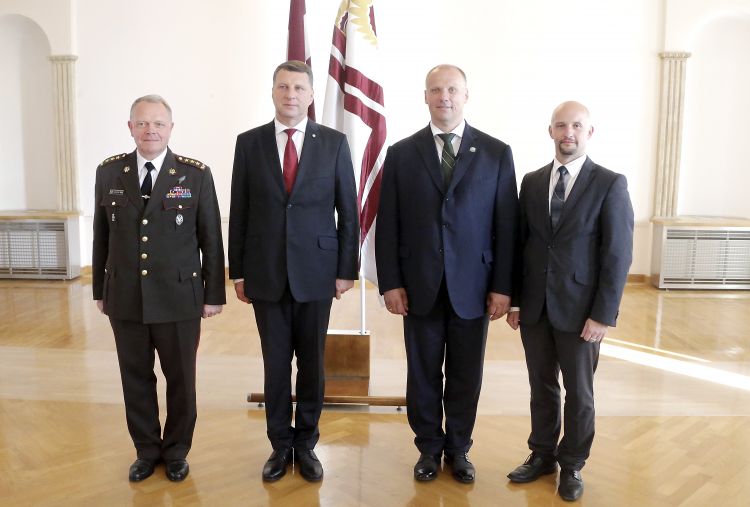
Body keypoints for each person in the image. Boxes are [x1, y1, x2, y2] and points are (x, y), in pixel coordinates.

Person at [375, 64, 518, 483]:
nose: (445, 97)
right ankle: (428, 449)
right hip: (419, 286)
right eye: (436, 90)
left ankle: (458, 449)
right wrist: (391, 282)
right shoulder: (401, 153)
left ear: (466, 96)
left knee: (465, 375)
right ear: (425, 97)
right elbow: (389, 224)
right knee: (422, 374)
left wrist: (503, 287)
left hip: (474, 287)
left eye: (452, 89)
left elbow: (507, 226)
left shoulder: (496, 153)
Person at [228, 60, 358, 483]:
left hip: (317, 272)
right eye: (283, 87)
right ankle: (280, 445)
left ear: (311, 95)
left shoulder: (334, 143)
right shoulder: (249, 144)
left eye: (299, 88)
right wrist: (238, 271)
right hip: (265, 271)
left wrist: (346, 269)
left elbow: (348, 211)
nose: (290, 95)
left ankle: (306, 445)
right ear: (272, 92)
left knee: (312, 364)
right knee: (275, 363)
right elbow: (239, 211)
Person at [92, 94, 225, 483]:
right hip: (125, 296)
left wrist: (213, 294)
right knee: (135, 378)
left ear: (171, 128)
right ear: (130, 127)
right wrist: (100, 289)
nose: (150, 130)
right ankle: (146, 450)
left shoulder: (195, 175)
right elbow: (101, 236)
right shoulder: (109, 173)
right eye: (142, 123)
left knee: (181, 379)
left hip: (179, 297)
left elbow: (211, 238)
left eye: (158, 123)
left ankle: (177, 450)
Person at [505, 101, 634, 501]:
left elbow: (617, 255)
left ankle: (573, 463)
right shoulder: (531, 182)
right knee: (541, 385)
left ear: (589, 132)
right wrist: (516, 302)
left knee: (579, 393)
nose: (568, 133)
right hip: (535, 307)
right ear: (551, 131)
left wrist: (602, 315)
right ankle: (542, 454)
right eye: (561, 125)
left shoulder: (610, 183)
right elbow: (520, 245)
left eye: (577, 126)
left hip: (581, 312)